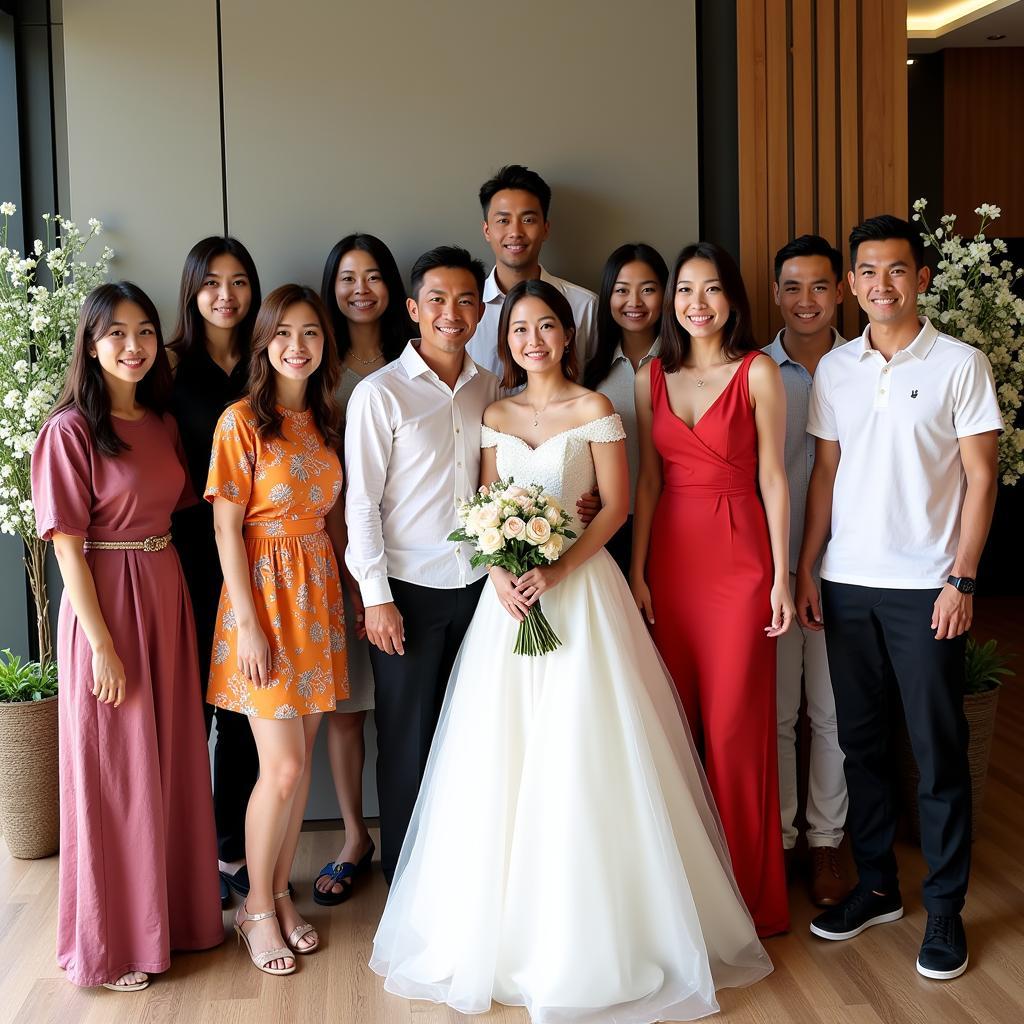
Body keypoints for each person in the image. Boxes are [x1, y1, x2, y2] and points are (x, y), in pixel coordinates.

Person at [370, 278, 772, 1023]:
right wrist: (500, 571)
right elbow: (480, 508)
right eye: (520, 329)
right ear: (508, 341)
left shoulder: (596, 410)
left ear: (566, 335)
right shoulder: (493, 412)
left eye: (547, 326)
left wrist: (553, 568)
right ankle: (502, 935)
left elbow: (616, 506)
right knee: (501, 761)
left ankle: (605, 935)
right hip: (507, 608)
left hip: (581, 595)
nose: (533, 340)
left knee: (585, 753)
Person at [798, 214, 1002, 980]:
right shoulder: (837, 371)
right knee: (861, 743)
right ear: (852, 284)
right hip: (848, 583)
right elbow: (826, 474)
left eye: (897, 271)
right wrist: (809, 568)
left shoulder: (960, 363)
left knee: (937, 749)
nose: (881, 285)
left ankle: (945, 908)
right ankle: (878, 885)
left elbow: (981, 478)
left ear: (920, 279)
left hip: (927, 588)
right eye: (868, 272)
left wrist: (962, 577)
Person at [31, 282, 223, 992]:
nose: (134, 346)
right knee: (114, 775)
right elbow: (67, 550)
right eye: (116, 334)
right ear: (89, 342)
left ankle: (174, 920)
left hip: (164, 589)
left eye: (145, 331)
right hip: (105, 603)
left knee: (170, 761)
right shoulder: (70, 432)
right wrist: (103, 645)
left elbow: (168, 507)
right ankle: (113, 941)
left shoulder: (161, 422)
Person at [631, 242, 793, 937]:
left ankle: (749, 900)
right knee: (674, 728)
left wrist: (784, 576)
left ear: (732, 299)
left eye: (712, 289)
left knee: (734, 731)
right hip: (670, 557)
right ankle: (685, 900)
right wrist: (637, 573)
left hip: (741, 561)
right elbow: (646, 480)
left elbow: (775, 480)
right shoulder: (652, 376)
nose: (698, 303)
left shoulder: (758, 372)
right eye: (685, 290)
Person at [205, 284, 353, 976]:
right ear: (265, 342)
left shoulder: (324, 421)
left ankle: (279, 895)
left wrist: (351, 594)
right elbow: (226, 529)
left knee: (300, 771)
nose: (298, 346)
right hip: (260, 603)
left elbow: (334, 520)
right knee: (283, 766)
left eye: (312, 334)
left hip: (316, 601)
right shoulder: (241, 422)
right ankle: (254, 908)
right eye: (285, 333)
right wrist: (251, 629)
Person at [344, 245, 498, 886]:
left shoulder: (491, 385)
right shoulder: (379, 395)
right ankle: (406, 877)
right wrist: (375, 596)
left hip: (482, 586)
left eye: (466, 299)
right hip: (407, 590)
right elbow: (362, 503)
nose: (452, 312)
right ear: (413, 308)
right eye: (437, 299)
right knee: (406, 739)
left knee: (478, 731)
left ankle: (466, 870)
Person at [313, 233, 412, 906]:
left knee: (407, 711)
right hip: (334, 555)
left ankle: (415, 833)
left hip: (415, 561)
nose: (360, 289)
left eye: (373, 276)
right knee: (348, 712)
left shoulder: (417, 358)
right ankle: (355, 836)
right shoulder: (317, 368)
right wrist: (352, 577)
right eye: (348, 277)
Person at [168, 235, 262, 908]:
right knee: (188, 708)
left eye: (238, 281)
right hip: (185, 554)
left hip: (261, 558)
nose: (225, 295)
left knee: (241, 707)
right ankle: (181, 856)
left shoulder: (266, 363)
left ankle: (232, 848)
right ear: (193, 291)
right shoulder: (169, 368)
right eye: (212, 283)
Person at [765, 234, 851, 907]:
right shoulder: (754, 370)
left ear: (842, 291)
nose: (805, 301)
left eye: (819, 286)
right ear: (775, 294)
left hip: (847, 567)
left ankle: (826, 841)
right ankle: (783, 838)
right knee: (776, 713)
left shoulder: (861, 366)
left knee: (832, 711)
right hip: (772, 571)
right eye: (792, 287)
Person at [583, 242, 669, 574]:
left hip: (672, 519)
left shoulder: (684, 368)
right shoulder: (591, 375)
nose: (634, 302)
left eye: (648, 290)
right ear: (608, 297)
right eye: (622, 290)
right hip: (608, 526)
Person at [467, 163, 597, 378]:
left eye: (528, 220)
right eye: (503, 221)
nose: (515, 232)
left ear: (545, 229)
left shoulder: (583, 305)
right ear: (487, 230)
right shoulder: (465, 308)